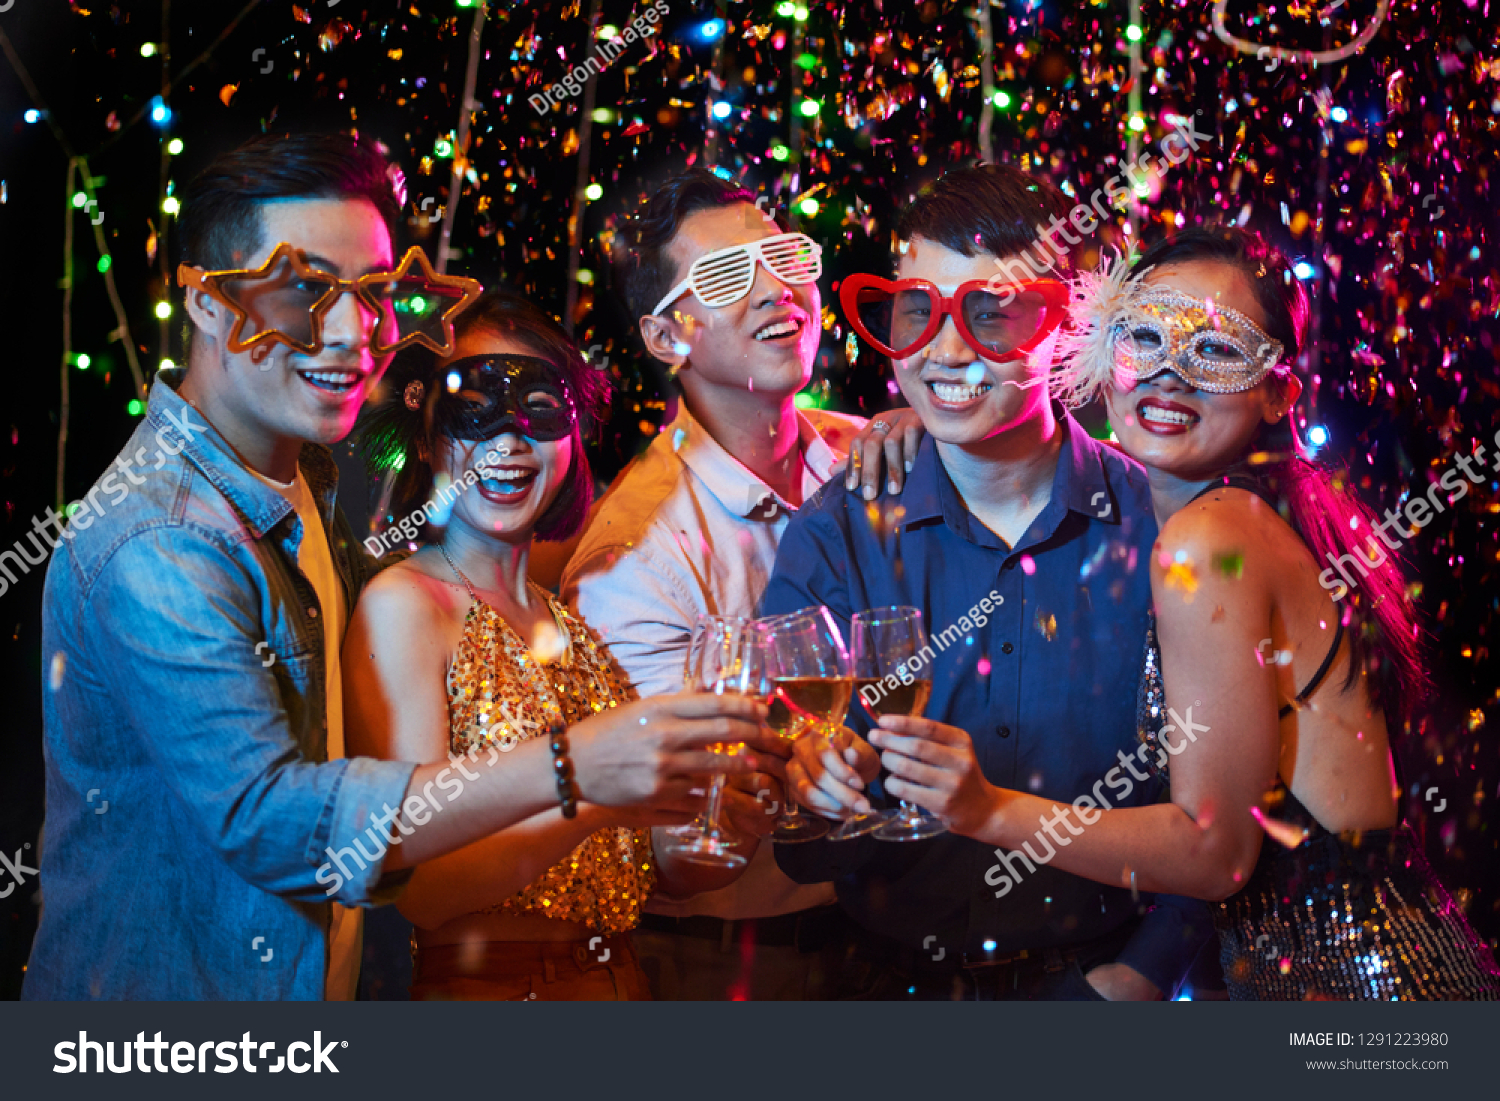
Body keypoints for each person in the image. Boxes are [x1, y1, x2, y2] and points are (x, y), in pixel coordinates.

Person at [23, 132, 771, 1001]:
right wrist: (577, 770)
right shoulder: (160, 538)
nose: (352, 332)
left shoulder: (305, 482)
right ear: (205, 303)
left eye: (371, 292)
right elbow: (273, 824)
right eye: (305, 290)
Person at [862, 225, 1500, 999]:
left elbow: (1213, 852)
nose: (1168, 375)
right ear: (1102, 353)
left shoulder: (1209, 538)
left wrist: (986, 809)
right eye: (1146, 336)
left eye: (1217, 350)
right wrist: (919, 421)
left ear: (1277, 391)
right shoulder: (1248, 513)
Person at [761, 163, 1215, 1001]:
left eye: (991, 315)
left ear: (1071, 322)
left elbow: (1231, 805)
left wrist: (1140, 974)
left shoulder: (1165, 534)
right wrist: (811, 785)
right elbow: (789, 819)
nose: (942, 352)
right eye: (915, 312)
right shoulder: (836, 533)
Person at [345, 290, 788, 999]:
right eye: (474, 408)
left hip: (623, 984)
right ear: (427, 439)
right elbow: (419, 884)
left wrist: (725, 824)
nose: (509, 440)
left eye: (539, 410)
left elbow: (647, 870)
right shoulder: (406, 605)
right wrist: (601, 794)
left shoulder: (570, 622)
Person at [561, 168, 921, 999]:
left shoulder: (876, 451)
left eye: (787, 258)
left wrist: (932, 429)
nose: (776, 291)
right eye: (726, 277)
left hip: (902, 934)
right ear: (665, 339)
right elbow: (664, 842)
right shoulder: (632, 559)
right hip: (741, 958)